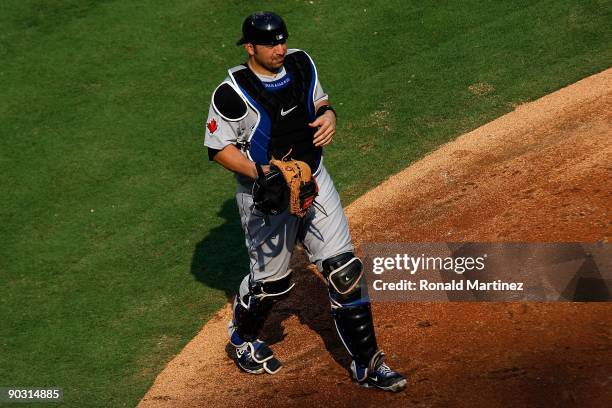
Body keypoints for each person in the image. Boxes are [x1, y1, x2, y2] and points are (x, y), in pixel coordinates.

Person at [203, 11, 406, 392]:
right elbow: (217, 148)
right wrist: (262, 174)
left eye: (282, 40)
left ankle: (370, 365)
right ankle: (242, 338)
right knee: (272, 286)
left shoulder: (301, 63)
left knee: (346, 272)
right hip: (265, 198)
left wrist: (328, 114)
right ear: (251, 47)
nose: (280, 48)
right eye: (271, 44)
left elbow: (319, 100)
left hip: (313, 180)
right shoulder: (231, 92)